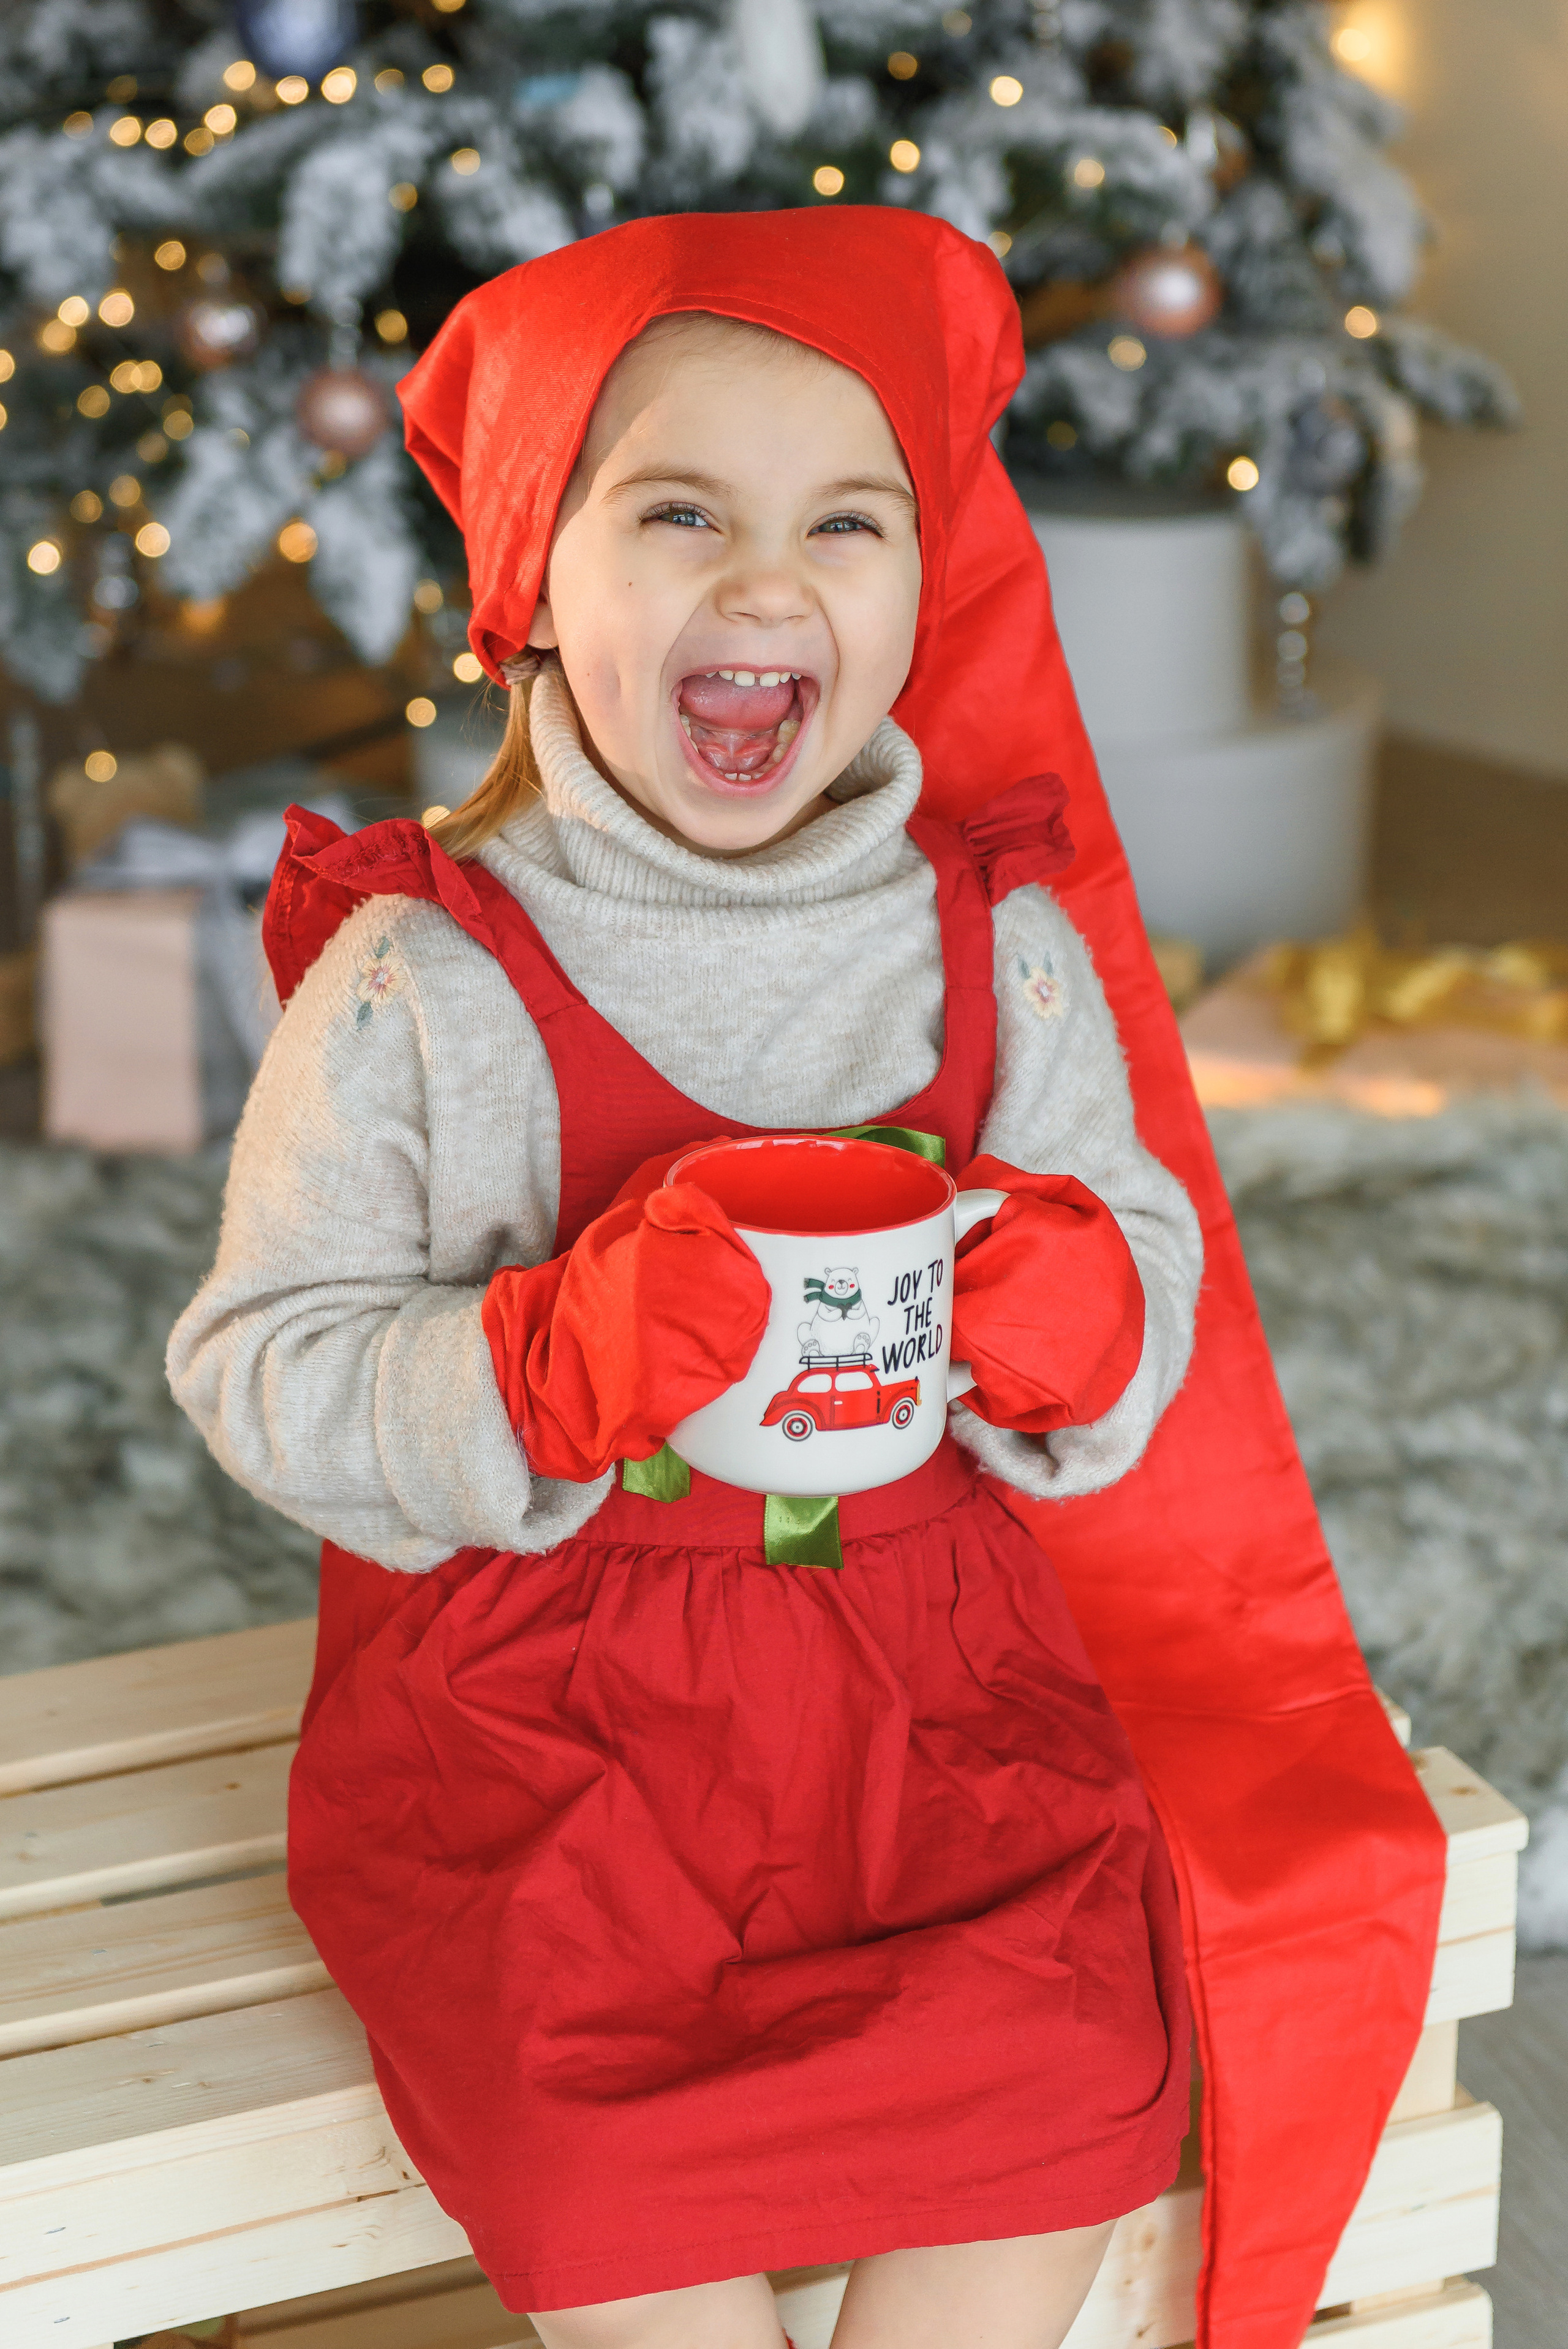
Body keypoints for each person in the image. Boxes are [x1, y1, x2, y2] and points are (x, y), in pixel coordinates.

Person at [169, 209, 1444, 2349]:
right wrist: (543, 1364)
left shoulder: (992, 938)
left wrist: (1082, 1306)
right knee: (604, 2152)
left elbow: (1129, 1237)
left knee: (1069, 2071)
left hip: (935, 1709)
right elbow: (262, 1364)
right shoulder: (419, 979)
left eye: (844, 523)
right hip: (550, 1752)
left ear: (914, 584)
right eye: (678, 509)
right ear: (532, 588)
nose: (767, 583)